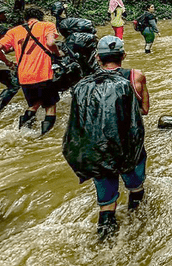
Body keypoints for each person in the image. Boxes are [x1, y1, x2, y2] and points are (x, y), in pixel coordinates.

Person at [63, 36, 150, 241]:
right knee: (135, 187)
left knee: (106, 201)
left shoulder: (83, 84)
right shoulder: (135, 76)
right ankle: (138, 230)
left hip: (96, 150)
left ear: (98, 58)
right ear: (124, 55)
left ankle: (105, 242)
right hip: (127, 147)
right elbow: (144, 110)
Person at [0, 7, 61, 136]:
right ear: (41, 17)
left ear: (25, 18)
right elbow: (51, 43)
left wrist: (8, 63)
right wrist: (58, 54)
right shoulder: (47, 25)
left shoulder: (14, 31)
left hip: (24, 76)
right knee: (50, 106)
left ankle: (23, 133)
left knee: (34, 105)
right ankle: (43, 137)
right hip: (43, 74)